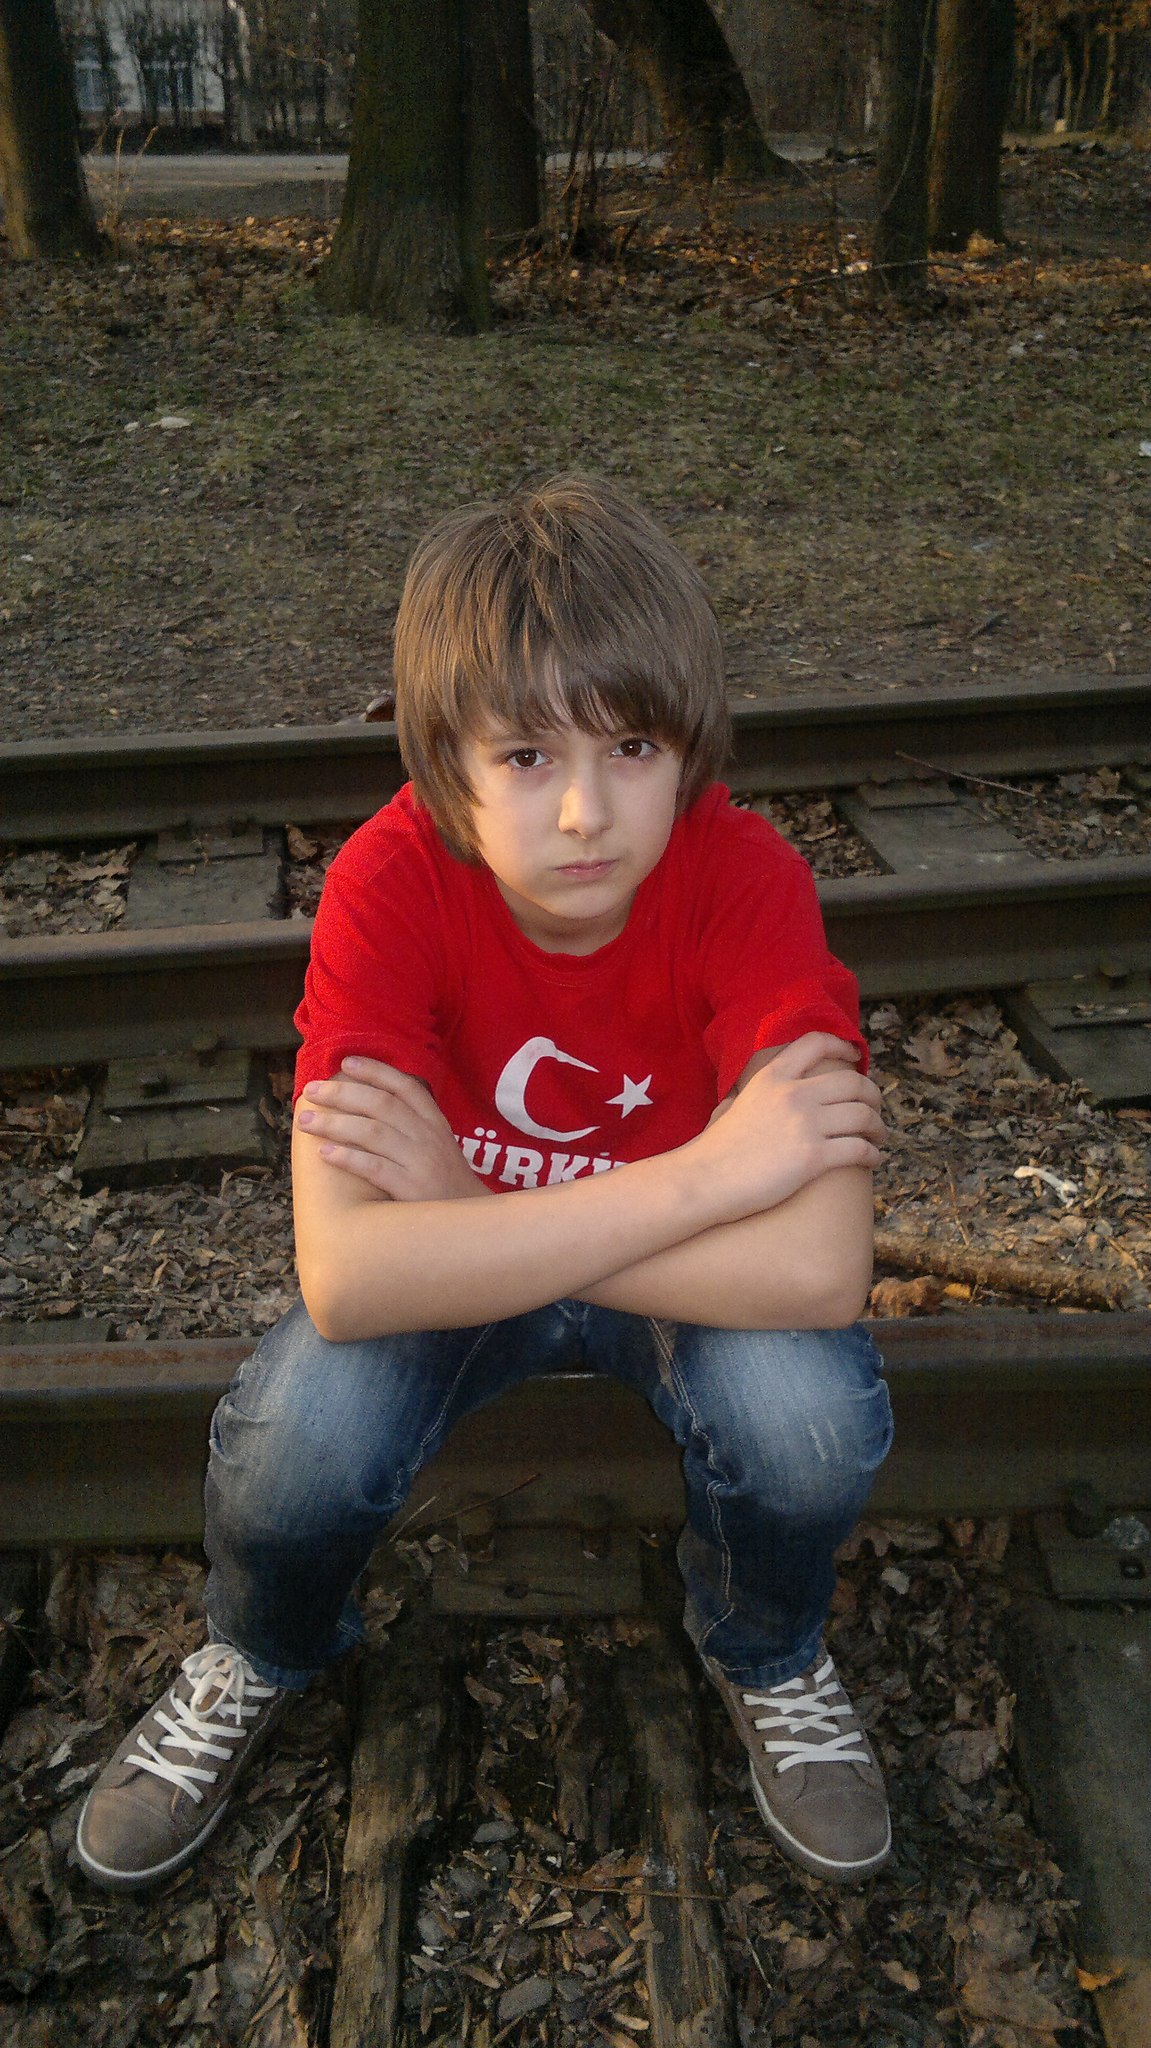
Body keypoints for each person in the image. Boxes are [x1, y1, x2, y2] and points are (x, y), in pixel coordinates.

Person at [76, 476, 892, 1895]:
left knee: (810, 1425)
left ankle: (765, 1650)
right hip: (617, 1246)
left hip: (546, 1257)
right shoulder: (387, 883)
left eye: (630, 746)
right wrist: (712, 1175)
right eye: (524, 754)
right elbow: (348, 1280)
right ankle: (259, 1647)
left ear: (688, 748)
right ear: (443, 761)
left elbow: (821, 1271)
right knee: (293, 1451)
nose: (586, 811)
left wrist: (468, 1217)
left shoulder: (745, 877)